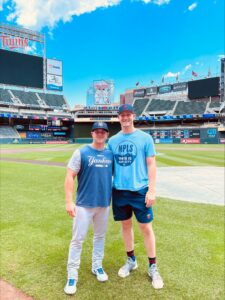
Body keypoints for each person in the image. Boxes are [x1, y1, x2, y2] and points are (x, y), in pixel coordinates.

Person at [108, 104, 164, 289]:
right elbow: (110, 169)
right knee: (125, 226)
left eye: (128, 114)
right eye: (122, 115)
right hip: (119, 190)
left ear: (133, 116)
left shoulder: (145, 138)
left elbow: (152, 165)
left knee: (146, 228)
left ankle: (153, 267)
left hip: (140, 189)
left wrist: (152, 190)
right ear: (118, 118)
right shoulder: (113, 141)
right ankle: (131, 260)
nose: (125, 118)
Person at [64, 122, 113, 295]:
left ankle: (97, 266)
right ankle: (72, 275)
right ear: (92, 133)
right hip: (84, 204)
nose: (100, 134)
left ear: (107, 135)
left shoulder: (110, 153)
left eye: (103, 131)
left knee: (100, 236)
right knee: (78, 239)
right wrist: (69, 202)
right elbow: (70, 175)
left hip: (103, 204)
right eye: (97, 131)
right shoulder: (81, 152)